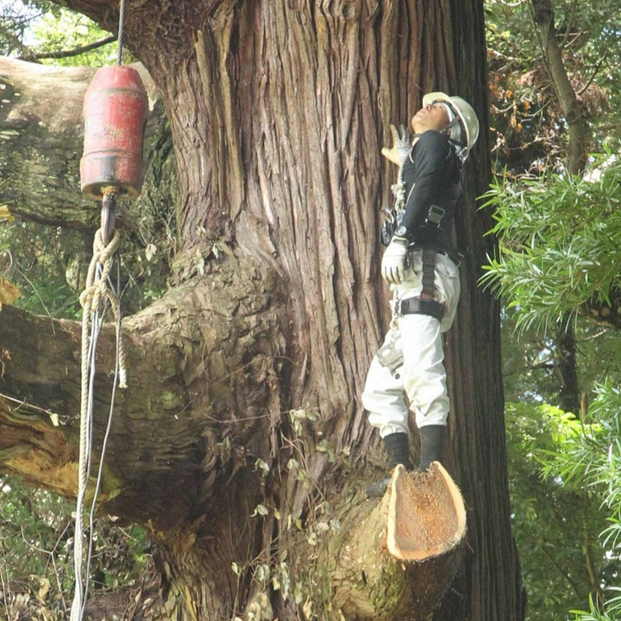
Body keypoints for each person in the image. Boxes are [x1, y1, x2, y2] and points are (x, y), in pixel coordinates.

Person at [362, 92, 479, 497]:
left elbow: (426, 185)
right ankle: (402, 478)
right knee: (380, 385)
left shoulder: (435, 144)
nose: (429, 107)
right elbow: (424, 181)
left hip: (424, 267)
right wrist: (406, 163)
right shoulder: (432, 151)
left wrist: (401, 238)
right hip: (419, 279)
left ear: (451, 129)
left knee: (421, 369)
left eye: (441, 109)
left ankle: (430, 472)